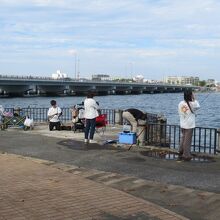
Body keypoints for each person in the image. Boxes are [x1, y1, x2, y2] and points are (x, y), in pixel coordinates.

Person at [178, 90, 200, 161]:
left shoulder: (180, 103)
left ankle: (181, 150)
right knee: (187, 141)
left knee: (183, 138)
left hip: (182, 124)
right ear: (190, 96)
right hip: (189, 125)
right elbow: (198, 106)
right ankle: (186, 155)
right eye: (192, 94)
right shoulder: (193, 103)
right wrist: (194, 98)